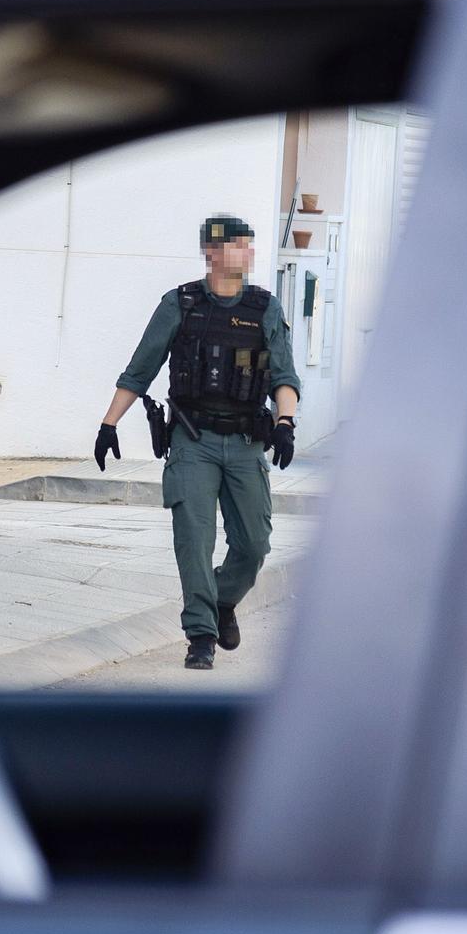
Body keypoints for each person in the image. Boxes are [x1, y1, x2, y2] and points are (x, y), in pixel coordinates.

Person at [96, 215, 300, 670]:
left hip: (247, 442)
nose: (248, 254)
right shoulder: (180, 304)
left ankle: (222, 600)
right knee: (194, 538)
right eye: (239, 246)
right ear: (212, 253)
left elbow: (284, 376)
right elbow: (139, 370)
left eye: (250, 246)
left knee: (254, 544)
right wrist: (109, 424)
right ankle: (201, 635)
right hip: (193, 441)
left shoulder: (264, 308)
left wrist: (285, 422)